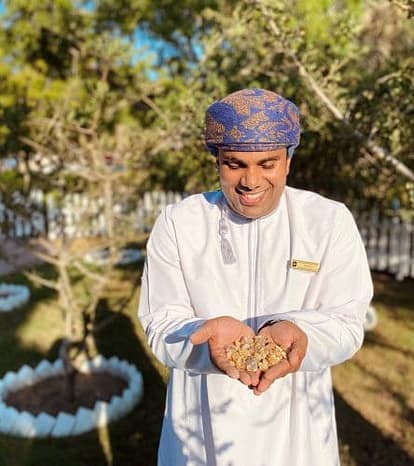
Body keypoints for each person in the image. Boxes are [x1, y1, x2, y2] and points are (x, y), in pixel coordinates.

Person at [138, 88, 373, 466]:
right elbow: (160, 323)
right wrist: (205, 343)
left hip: (298, 432)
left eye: (267, 164)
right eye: (235, 164)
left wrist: (300, 332)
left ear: (288, 162)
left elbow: (347, 323)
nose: (251, 181)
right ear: (216, 161)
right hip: (201, 425)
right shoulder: (179, 223)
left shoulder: (328, 221)